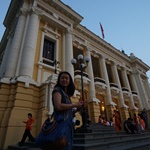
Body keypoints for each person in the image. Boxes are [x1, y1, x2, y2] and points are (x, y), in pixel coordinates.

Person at [42, 71, 84, 150]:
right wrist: (74, 105)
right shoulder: (57, 90)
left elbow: (68, 112)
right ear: (59, 80)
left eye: (66, 78)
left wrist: (77, 108)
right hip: (60, 125)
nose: (64, 80)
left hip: (68, 126)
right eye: (62, 78)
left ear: (69, 81)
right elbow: (58, 106)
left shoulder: (66, 95)